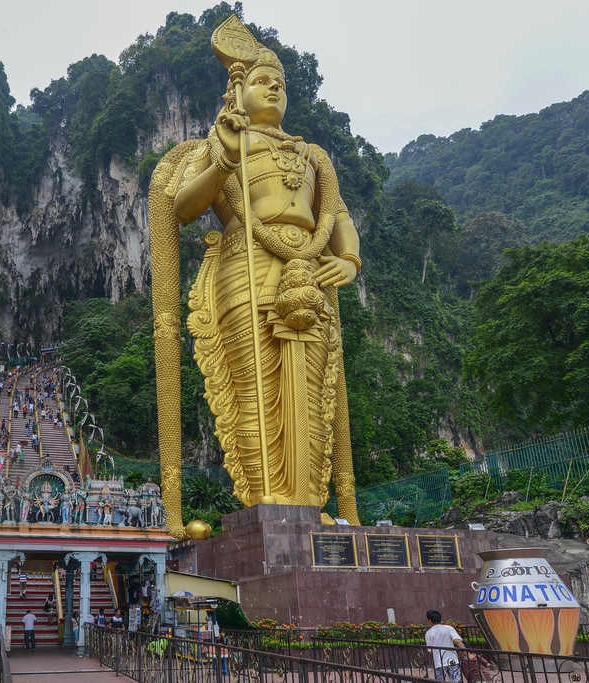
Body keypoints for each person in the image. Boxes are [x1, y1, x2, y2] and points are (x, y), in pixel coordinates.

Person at [149, 20, 361, 531]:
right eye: (263, 80)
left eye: (281, 84)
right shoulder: (223, 142)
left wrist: (349, 260)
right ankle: (263, 501)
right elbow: (182, 206)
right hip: (244, 268)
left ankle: (309, 505)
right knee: (255, 387)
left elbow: (340, 217)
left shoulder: (313, 155)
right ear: (238, 90)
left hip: (308, 271)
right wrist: (223, 158)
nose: (274, 88)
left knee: (310, 391)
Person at [425, 609, 465, 681]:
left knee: (440, 680)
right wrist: (466, 653)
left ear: (430, 620)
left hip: (439, 662)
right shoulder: (448, 628)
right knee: (456, 679)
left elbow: (430, 651)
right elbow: (457, 641)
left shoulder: (428, 633)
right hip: (452, 659)